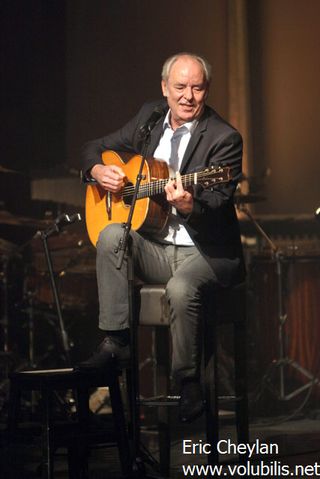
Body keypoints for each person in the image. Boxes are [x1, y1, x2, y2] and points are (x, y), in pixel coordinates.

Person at [79, 52, 245, 423]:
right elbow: (93, 146)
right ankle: (116, 341)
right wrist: (98, 169)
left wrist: (188, 206)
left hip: (202, 251)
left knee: (181, 290)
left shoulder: (225, 138)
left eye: (197, 88)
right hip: (154, 245)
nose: (188, 96)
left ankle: (188, 382)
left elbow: (218, 201)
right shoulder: (148, 118)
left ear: (207, 90)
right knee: (110, 235)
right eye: (180, 87)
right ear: (164, 88)